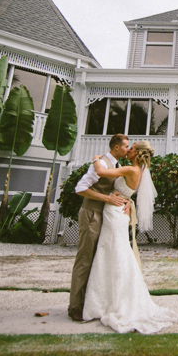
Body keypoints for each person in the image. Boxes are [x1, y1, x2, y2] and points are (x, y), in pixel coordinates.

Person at [82, 140, 178, 333]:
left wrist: (96, 159)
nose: (128, 150)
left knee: (113, 253)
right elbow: (129, 190)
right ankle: (107, 300)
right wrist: (128, 200)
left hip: (114, 213)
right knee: (113, 253)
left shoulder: (131, 169)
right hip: (118, 210)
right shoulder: (137, 171)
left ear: (137, 153)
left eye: (132, 148)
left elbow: (101, 173)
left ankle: (114, 302)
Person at [67, 133, 132, 322]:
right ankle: (75, 307)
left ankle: (90, 303)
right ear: (116, 147)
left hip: (105, 216)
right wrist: (107, 199)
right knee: (85, 259)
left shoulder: (117, 165)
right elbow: (80, 188)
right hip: (91, 215)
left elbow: (114, 188)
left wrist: (126, 200)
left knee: (98, 260)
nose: (128, 149)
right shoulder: (101, 163)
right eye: (126, 146)